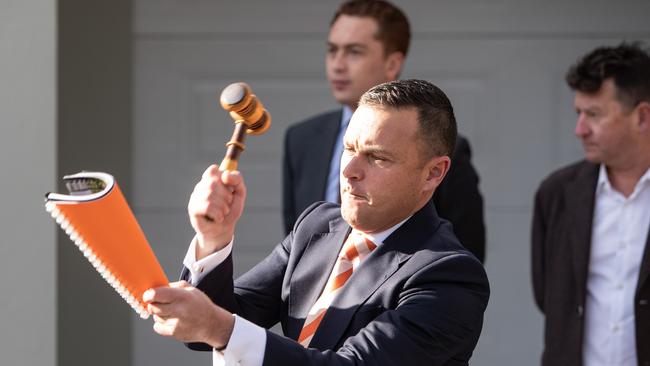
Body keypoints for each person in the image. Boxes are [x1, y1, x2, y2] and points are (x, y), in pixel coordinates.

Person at [144, 79, 489, 365]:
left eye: (378, 157)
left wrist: (220, 328)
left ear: (433, 173)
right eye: (350, 148)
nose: (350, 171)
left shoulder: (449, 276)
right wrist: (213, 237)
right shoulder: (316, 226)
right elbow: (210, 329)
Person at [283, 0, 486, 262]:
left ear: (392, 64)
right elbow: (294, 247)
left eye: (354, 52)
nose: (338, 64)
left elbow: (465, 254)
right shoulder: (301, 139)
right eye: (332, 51)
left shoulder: (441, 148)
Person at [532, 43, 650, 366]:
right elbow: (549, 296)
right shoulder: (556, 193)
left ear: (642, 116)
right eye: (578, 113)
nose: (579, 129)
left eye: (594, 115)